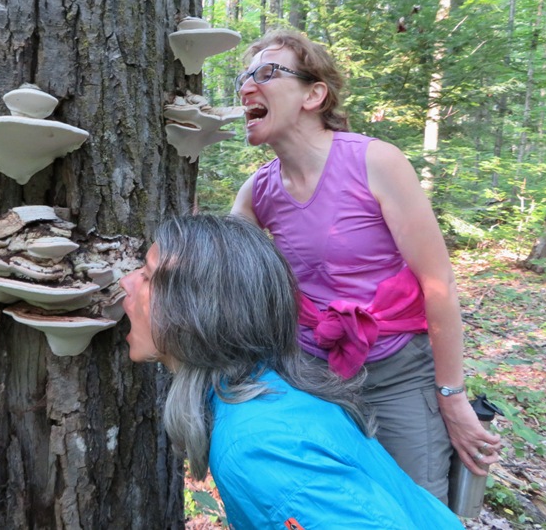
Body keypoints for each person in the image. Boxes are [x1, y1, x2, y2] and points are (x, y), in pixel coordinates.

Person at [230, 28, 501, 502]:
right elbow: (219, 273)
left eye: (266, 72)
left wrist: (453, 397)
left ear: (314, 94)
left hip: (396, 371)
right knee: (333, 506)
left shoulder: (376, 161)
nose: (246, 86)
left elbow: (438, 284)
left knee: (415, 506)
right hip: (309, 376)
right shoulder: (258, 191)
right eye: (243, 76)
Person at [119, 214, 464, 529]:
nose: (126, 283)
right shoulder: (267, 385)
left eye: (147, 276)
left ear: (197, 312)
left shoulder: (260, 446)